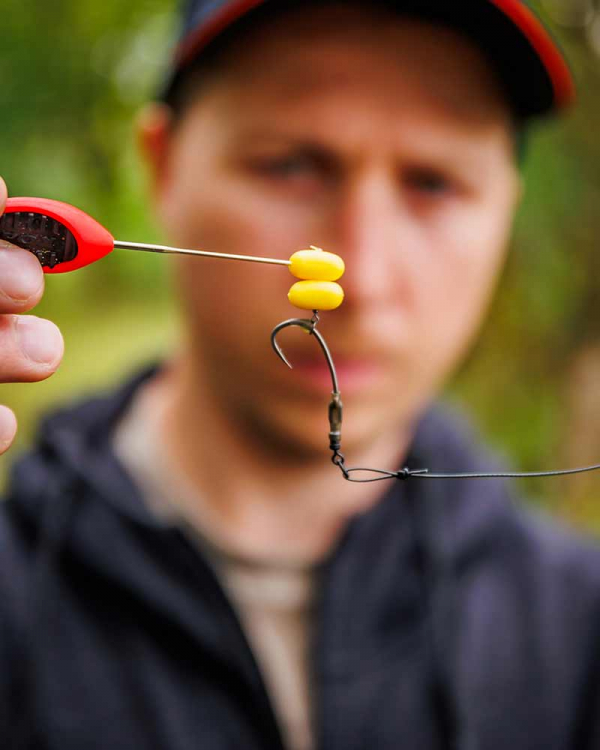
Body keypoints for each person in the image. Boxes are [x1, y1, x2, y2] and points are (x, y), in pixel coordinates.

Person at [1, 1, 599, 748]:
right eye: (290, 165)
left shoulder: (579, 637)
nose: (365, 277)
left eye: (434, 183)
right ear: (164, 168)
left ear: (507, 206)